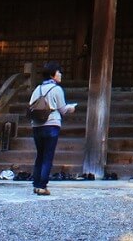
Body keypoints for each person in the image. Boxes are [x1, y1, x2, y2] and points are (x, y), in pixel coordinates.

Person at [29, 61, 77, 196]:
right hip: (51, 124)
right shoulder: (56, 89)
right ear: (52, 74)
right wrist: (71, 108)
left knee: (40, 155)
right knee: (48, 156)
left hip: (37, 124)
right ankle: (42, 186)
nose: (60, 74)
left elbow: (31, 106)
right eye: (58, 72)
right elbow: (62, 109)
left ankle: (36, 184)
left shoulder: (37, 89)